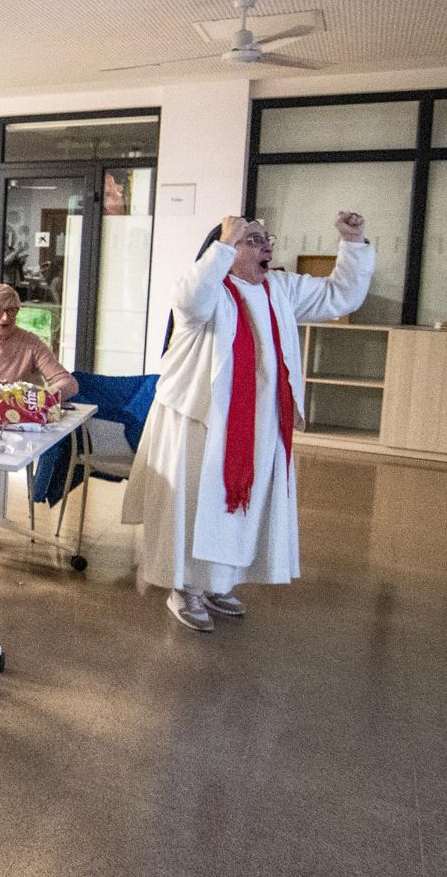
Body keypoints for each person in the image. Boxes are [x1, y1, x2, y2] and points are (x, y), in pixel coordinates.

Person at [123, 212, 373, 632]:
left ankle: (219, 582)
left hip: (261, 423)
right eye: (251, 240)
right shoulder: (208, 292)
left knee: (243, 509)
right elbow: (190, 299)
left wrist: (353, 244)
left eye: (265, 239)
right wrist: (222, 243)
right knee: (198, 508)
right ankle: (185, 587)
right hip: (201, 424)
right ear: (224, 250)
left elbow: (340, 296)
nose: (265, 247)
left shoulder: (279, 287)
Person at [0, 284, 80, 551]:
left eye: (12, 311)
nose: (6, 318)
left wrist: (36, 397)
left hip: (14, 423)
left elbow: (68, 383)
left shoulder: (29, 342)